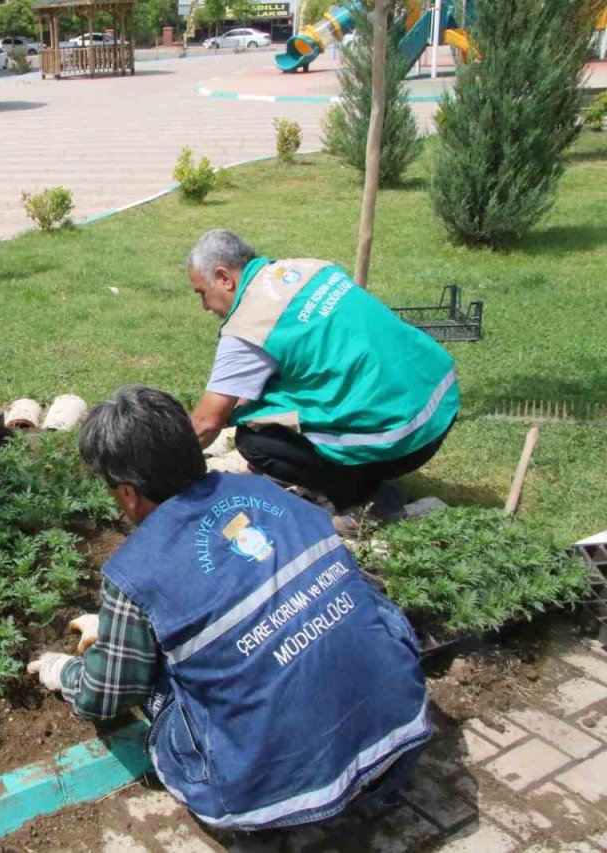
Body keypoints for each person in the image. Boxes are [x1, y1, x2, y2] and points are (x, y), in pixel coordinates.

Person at [28, 386, 430, 832]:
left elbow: (105, 696)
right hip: (402, 732)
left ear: (126, 493)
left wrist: (59, 670)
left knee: (153, 676)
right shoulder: (269, 494)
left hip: (269, 799)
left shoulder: (134, 574)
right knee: (358, 595)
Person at [184, 229, 459, 518]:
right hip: (440, 402)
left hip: (406, 437)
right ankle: (363, 464)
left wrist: (165, 473)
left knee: (256, 442)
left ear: (224, 278)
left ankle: (367, 496)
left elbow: (205, 423)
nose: (204, 306)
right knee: (267, 403)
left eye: (202, 293)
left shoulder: (249, 325)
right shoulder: (308, 268)